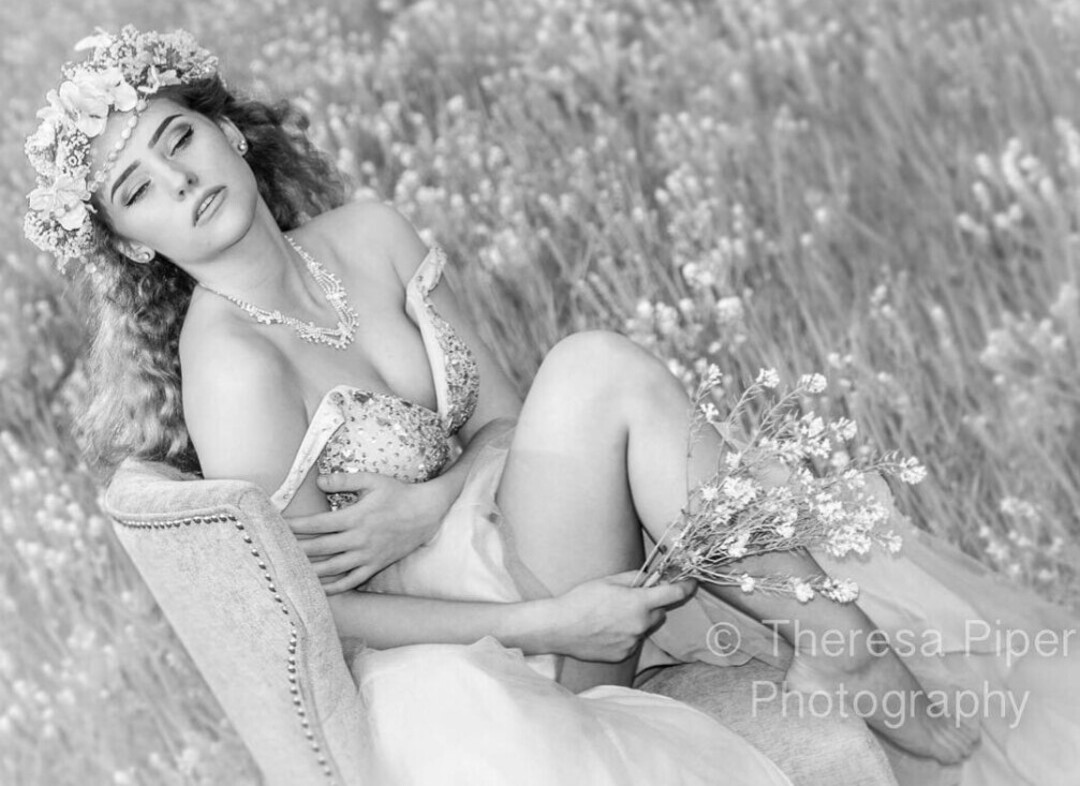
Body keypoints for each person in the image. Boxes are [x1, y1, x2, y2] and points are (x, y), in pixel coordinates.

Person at [25, 26, 1079, 785]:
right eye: (137, 189)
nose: (178, 181)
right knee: (602, 377)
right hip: (478, 656)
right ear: (134, 245)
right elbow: (306, 612)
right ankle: (842, 656)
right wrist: (545, 621)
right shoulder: (231, 365)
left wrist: (430, 500)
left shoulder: (370, 235)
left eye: (177, 138)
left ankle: (844, 648)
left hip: (510, 538)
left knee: (595, 367)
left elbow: (505, 419)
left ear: (226, 130)